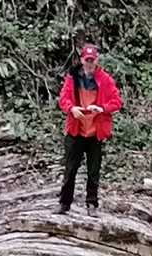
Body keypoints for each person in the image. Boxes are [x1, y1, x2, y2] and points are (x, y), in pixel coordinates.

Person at [56, 43, 123, 216]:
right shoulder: (73, 78)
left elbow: (117, 102)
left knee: (94, 171)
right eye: (87, 60)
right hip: (76, 130)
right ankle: (64, 204)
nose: (89, 64)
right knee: (70, 169)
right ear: (81, 60)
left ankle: (92, 204)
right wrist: (72, 109)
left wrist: (101, 108)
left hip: (95, 132)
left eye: (92, 61)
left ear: (97, 60)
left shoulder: (105, 79)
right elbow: (63, 99)